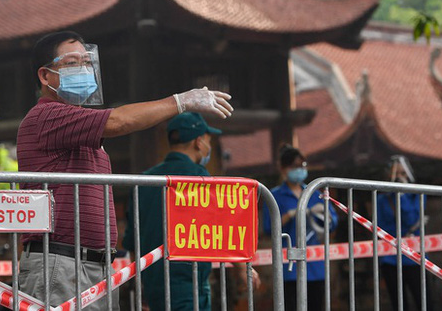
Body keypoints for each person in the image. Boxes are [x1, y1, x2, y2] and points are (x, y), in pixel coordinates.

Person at [16, 31, 234, 310]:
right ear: (45, 76)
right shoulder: (47, 116)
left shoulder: (81, 129)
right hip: (62, 261)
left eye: (87, 62)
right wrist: (180, 102)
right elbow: (118, 121)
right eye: (72, 63)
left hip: (93, 263)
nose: (83, 69)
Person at [122, 112, 259, 311]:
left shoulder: (144, 180)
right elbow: (219, 229)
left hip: (152, 282)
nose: (208, 147)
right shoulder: (199, 178)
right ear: (198, 142)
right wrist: (242, 269)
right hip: (187, 280)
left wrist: (140, 286)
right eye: (208, 141)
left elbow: (132, 238)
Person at [262, 144, 337, 311]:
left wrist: (325, 216)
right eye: (294, 166)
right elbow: (268, 228)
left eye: (302, 165)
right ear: (283, 168)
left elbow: (333, 222)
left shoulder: (315, 192)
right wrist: (289, 215)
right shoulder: (274, 196)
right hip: (289, 269)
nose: (299, 169)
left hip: (316, 266)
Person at [377, 155, 432, 311]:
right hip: (390, 258)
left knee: (423, 300)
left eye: (402, 173)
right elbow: (381, 226)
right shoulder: (381, 199)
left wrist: (401, 197)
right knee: (399, 303)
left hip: (415, 257)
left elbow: (411, 219)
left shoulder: (418, 195)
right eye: (396, 174)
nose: (399, 177)